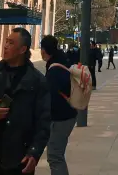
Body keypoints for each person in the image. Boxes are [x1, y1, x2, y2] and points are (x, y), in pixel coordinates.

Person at [0, 27, 49, 175]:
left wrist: (34, 152)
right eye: (6, 41)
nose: (5, 46)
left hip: (20, 158)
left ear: (23, 49)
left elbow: (43, 123)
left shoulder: (37, 81)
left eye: (11, 43)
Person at [41, 35, 77, 175]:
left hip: (61, 118)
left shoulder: (54, 70)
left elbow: (51, 97)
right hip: (68, 114)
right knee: (57, 155)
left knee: (55, 156)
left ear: (44, 50)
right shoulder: (62, 60)